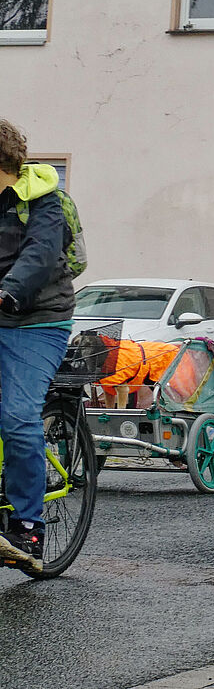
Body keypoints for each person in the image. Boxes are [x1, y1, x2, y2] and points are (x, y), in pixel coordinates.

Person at [0, 121, 77, 573]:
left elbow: (42, 254)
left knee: (16, 414)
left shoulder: (43, 200)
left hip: (37, 320)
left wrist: (9, 291)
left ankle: (29, 528)